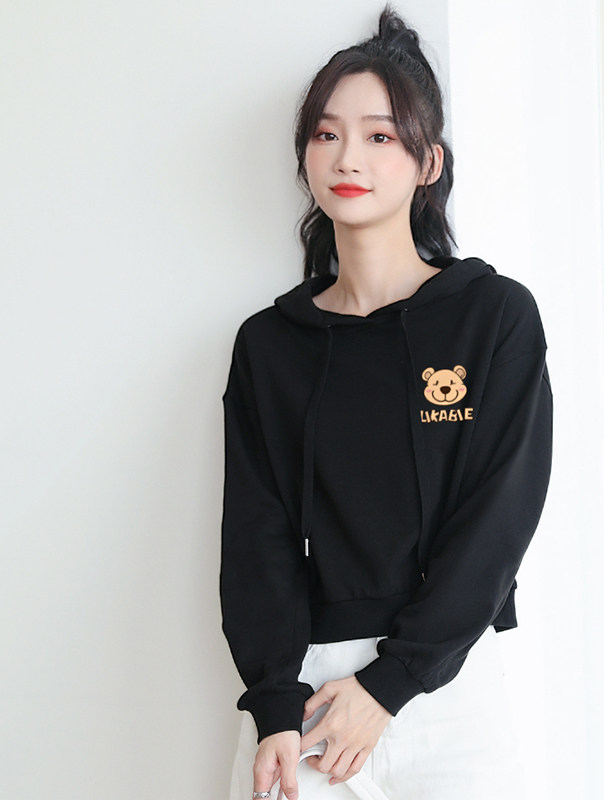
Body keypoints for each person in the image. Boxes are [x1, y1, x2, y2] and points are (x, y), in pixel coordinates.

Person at [220, 6, 553, 799]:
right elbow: (256, 536)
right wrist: (274, 703)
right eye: (326, 133)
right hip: (305, 696)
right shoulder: (270, 344)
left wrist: (391, 684)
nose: (347, 157)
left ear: (428, 161)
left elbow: (499, 518)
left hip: (449, 687)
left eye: (380, 136)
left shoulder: (493, 316)